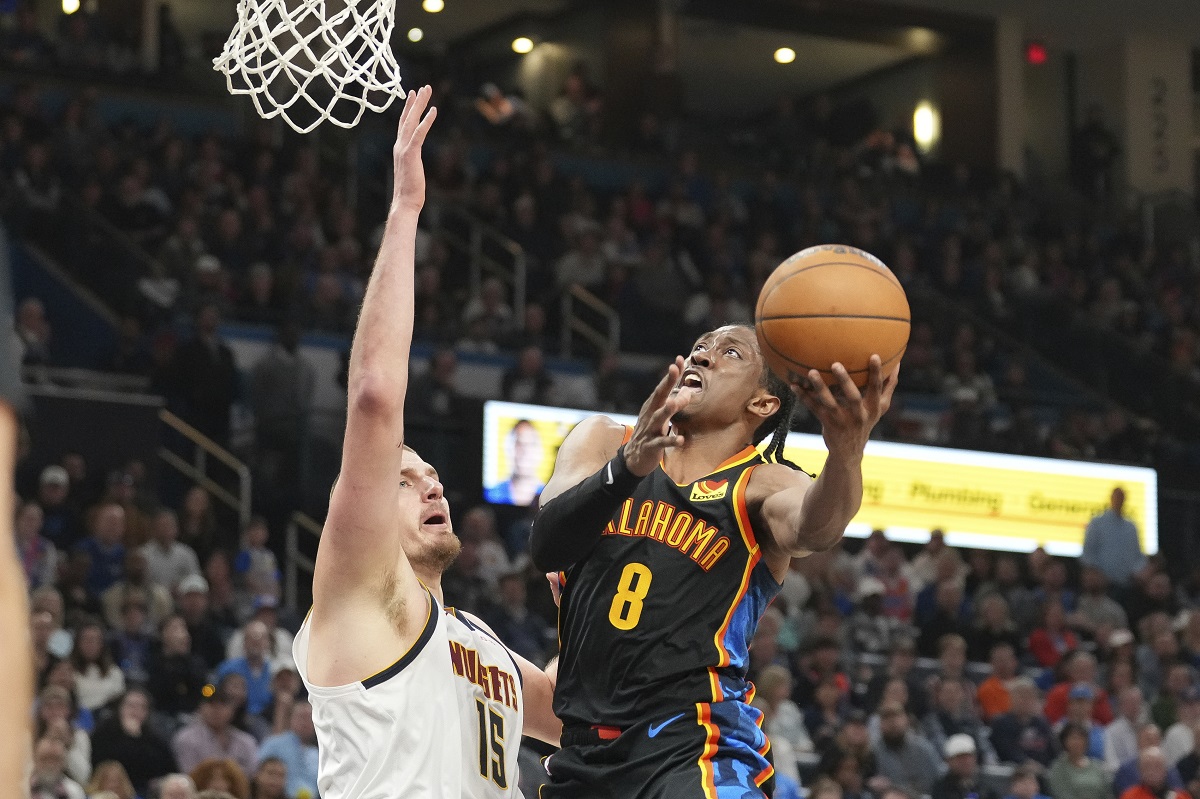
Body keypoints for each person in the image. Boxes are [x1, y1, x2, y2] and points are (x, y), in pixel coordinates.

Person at [292, 87, 559, 799]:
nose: (431, 485)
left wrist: (590, 595)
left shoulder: (479, 640)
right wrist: (406, 210)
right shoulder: (357, 588)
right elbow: (376, 393)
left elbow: (573, 715)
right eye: (404, 479)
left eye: (433, 475)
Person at [529, 307, 898, 797]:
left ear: (763, 404)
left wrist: (847, 450)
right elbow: (547, 544)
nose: (703, 354)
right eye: (701, 345)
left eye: (730, 352)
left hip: (694, 743)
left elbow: (817, 526)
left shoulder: (762, 482)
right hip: (583, 751)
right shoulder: (602, 440)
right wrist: (628, 468)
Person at [1081, 487, 1147, 593]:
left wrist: (1137, 572)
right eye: (1117, 497)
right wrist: (1096, 574)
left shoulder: (1131, 527)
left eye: (1121, 498)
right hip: (1102, 587)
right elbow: (1088, 553)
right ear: (1111, 498)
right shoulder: (1097, 523)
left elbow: (1137, 556)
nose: (1119, 500)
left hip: (1127, 585)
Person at [255, 702, 318, 799]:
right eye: (301, 717)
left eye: (310, 718)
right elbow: (259, 774)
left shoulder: (317, 754)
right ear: (290, 719)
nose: (305, 722)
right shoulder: (273, 744)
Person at [485, 419, 546, 506]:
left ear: (539, 452)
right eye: (519, 444)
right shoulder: (492, 493)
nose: (525, 452)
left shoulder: (549, 497)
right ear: (509, 449)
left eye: (531, 444)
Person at [1046, 723, 1112, 799]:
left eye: (1080, 738)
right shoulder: (1058, 768)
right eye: (1073, 738)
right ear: (1064, 741)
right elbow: (1060, 794)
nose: (1077, 742)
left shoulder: (1097, 766)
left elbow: (1107, 792)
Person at [932, 734, 1000, 799]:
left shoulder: (985, 786)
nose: (966, 762)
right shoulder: (941, 788)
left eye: (968, 757)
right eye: (960, 758)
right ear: (949, 761)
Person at [1121, 747, 1192, 799]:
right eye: (1147, 766)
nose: (1152, 771)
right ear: (1140, 770)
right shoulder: (1129, 796)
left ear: (1165, 769)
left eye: (1157, 766)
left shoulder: (1181, 796)